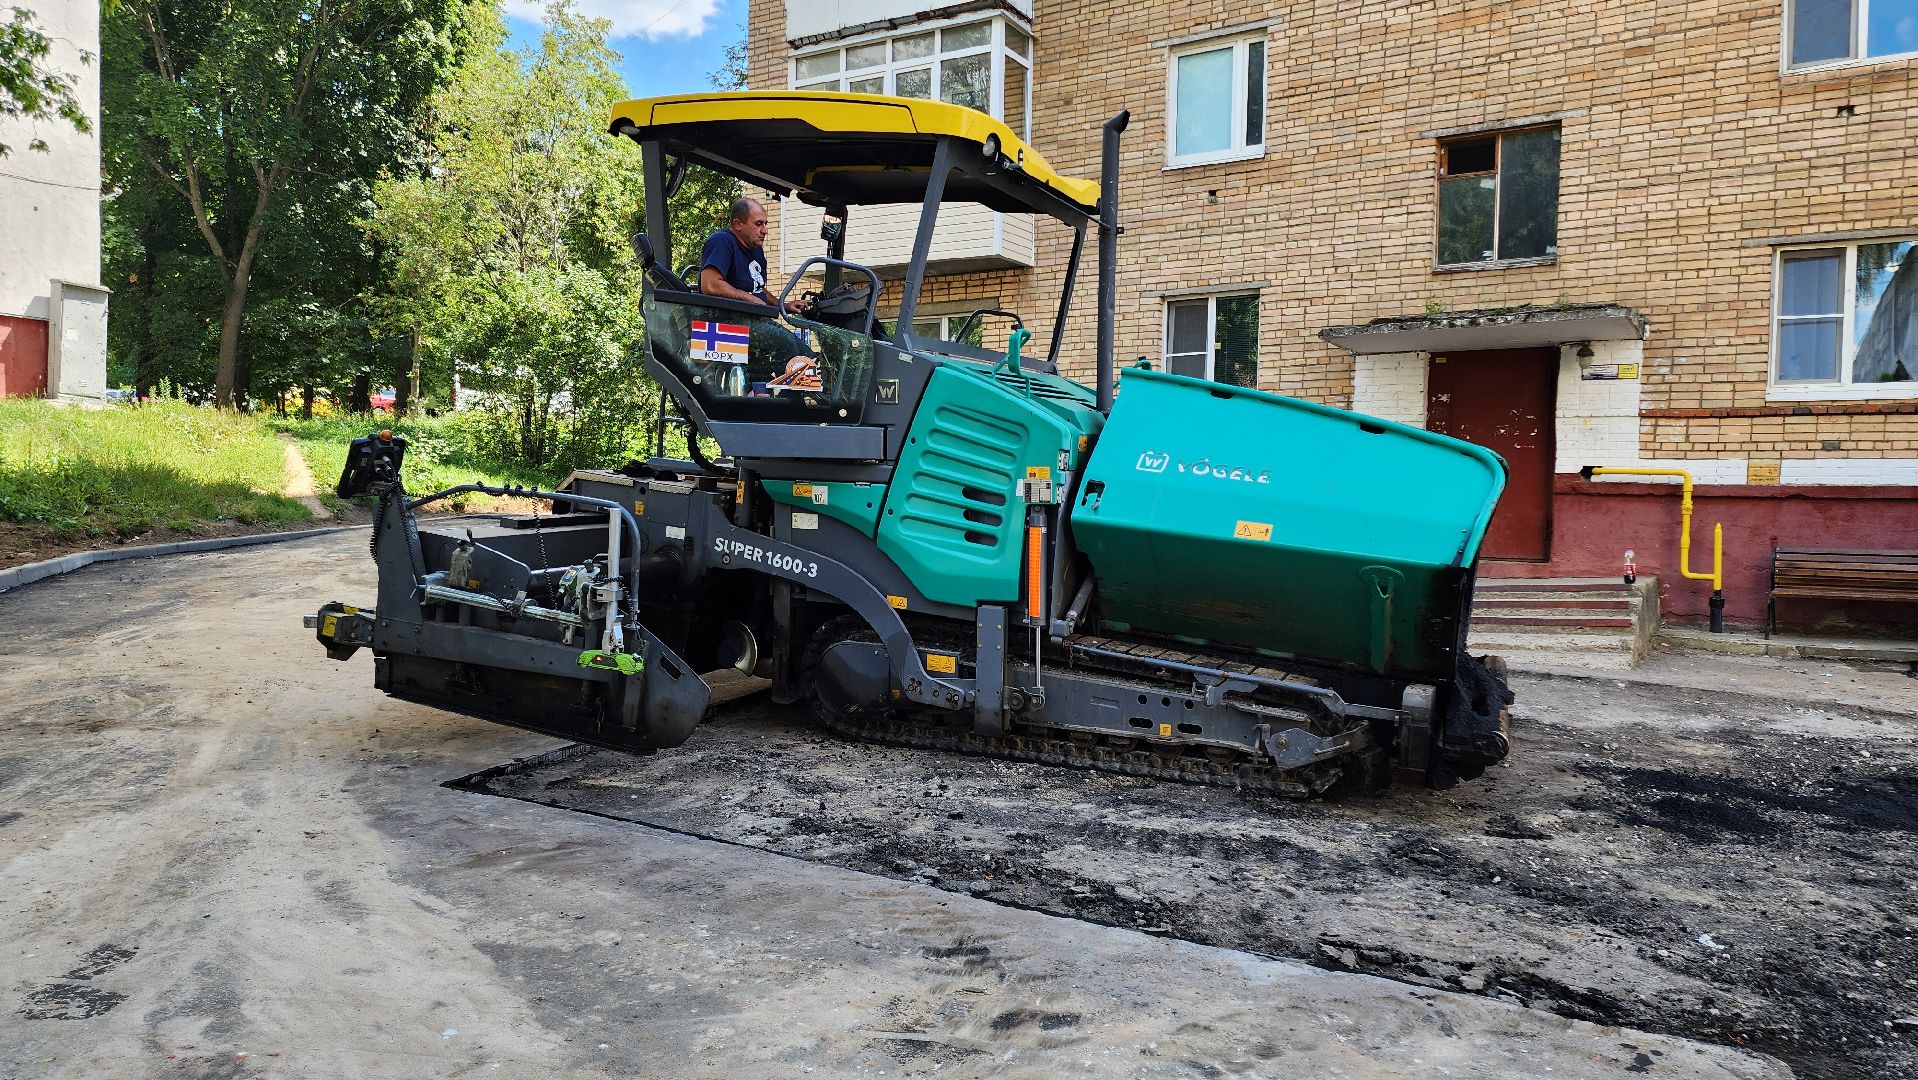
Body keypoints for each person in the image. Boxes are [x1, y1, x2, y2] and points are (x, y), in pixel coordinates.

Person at [699, 197, 804, 313]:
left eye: (765, 224)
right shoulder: (722, 241)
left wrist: (782, 305)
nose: (764, 230)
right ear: (738, 224)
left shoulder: (756, 249)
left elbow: (757, 289)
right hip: (727, 321)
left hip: (755, 320)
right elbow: (710, 285)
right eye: (758, 224)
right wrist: (749, 299)